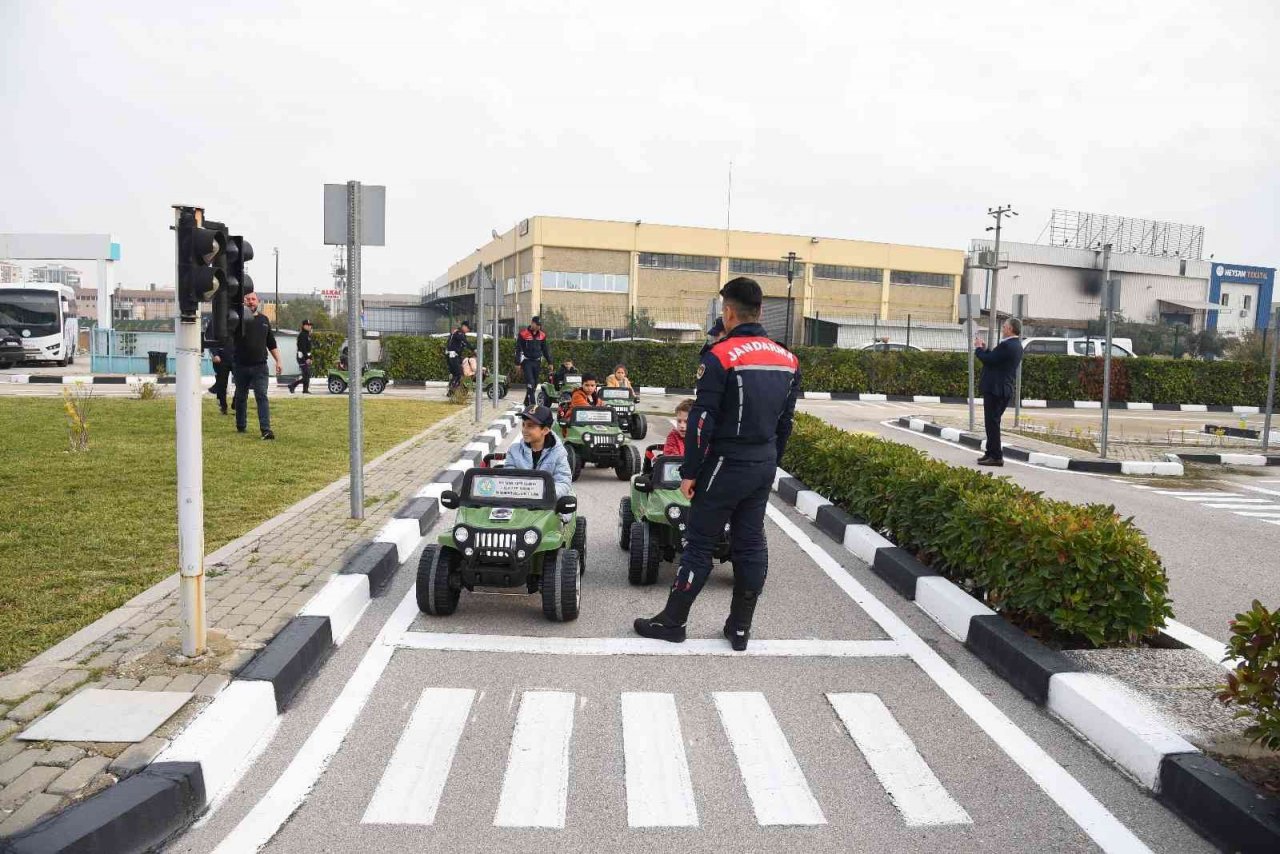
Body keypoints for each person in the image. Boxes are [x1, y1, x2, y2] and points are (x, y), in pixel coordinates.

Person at [634, 277, 799, 651]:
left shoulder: (721, 355)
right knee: (751, 544)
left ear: (727, 311)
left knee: (699, 545)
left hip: (726, 463)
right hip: (763, 463)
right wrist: (773, 462)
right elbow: (785, 423)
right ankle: (739, 629)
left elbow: (701, 422)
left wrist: (690, 471)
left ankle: (673, 622)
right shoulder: (788, 358)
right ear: (759, 310)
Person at [974, 318, 1024, 467]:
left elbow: (989, 360)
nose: (1002, 329)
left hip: (996, 389)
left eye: (1004, 327)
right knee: (992, 422)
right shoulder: (1016, 345)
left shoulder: (1007, 345)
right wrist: (985, 349)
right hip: (1002, 389)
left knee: (992, 423)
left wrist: (978, 349)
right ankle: (990, 453)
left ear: (1010, 329)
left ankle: (996, 456)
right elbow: (996, 360)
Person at [233, 292, 284, 439]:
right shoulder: (237, 320)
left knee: (261, 396)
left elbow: (271, 343)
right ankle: (241, 425)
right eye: (247, 299)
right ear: (244, 302)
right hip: (241, 365)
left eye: (253, 299)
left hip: (260, 366)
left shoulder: (264, 320)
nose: (250, 302)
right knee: (241, 397)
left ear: (258, 301)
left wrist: (278, 361)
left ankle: (266, 430)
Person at [506, 405, 573, 498]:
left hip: (546, 506)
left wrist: (544, 494)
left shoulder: (559, 453)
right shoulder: (514, 450)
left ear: (545, 430)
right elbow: (508, 479)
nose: (524, 430)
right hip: (519, 503)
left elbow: (563, 482)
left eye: (530, 426)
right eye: (523, 424)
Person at [517, 316, 552, 406]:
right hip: (527, 362)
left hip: (537, 362)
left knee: (534, 384)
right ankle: (533, 405)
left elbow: (545, 350)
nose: (538, 327)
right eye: (537, 325)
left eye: (540, 325)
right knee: (530, 383)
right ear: (532, 323)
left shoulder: (542, 335)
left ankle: (526, 401)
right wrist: (517, 363)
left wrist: (550, 362)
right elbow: (518, 349)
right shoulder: (523, 334)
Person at [204, 319, 233, 415]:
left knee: (242, 382)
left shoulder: (241, 315)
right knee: (221, 383)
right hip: (221, 357)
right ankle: (223, 406)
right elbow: (209, 336)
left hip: (237, 356)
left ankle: (237, 403)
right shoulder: (217, 318)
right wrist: (215, 353)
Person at [446, 320, 473, 394]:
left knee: (456, 374)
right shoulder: (459, 333)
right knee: (458, 374)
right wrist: (473, 349)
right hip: (452, 356)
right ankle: (451, 391)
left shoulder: (459, 333)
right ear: (464, 326)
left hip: (453, 356)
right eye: (468, 328)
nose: (468, 330)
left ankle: (451, 391)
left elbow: (461, 346)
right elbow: (464, 341)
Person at [288, 319, 314, 394]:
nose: (310, 326)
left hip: (306, 357)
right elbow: (303, 348)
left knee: (307, 374)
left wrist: (310, 357)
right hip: (302, 357)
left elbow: (309, 348)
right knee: (307, 374)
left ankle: (305, 390)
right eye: (308, 325)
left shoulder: (307, 335)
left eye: (310, 325)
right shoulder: (302, 335)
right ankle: (292, 385)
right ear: (303, 326)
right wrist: (307, 358)